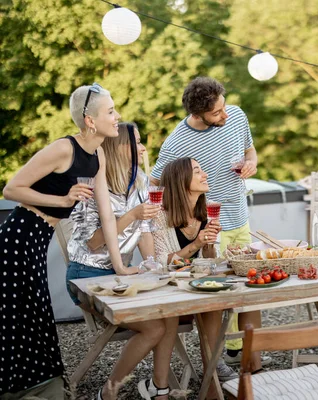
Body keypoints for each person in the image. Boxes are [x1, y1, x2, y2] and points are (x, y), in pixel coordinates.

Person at [0, 83, 127, 399]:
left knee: (35, 313)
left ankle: (36, 385)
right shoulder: (64, 149)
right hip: (17, 237)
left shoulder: (97, 154)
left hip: (36, 241)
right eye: (110, 111)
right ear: (90, 120)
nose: (117, 116)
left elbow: (107, 215)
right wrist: (63, 198)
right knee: (16, 314)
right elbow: (11, 189)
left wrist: (121, 267)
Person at [150, 76, 260, 365]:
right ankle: (220, 357)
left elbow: (250, 149)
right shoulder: (177, 142)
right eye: (217, 113)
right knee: (223, 288)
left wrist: (252, 164)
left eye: (224, 106)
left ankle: (242, 353)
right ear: (197, 115)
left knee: (246, 282)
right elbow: (157, 180)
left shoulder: (235, 115)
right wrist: (178, 218)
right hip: (210, 221)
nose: (225, 114)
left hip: (240, 214)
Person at [65, 122, 178, 400]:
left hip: (121, 277)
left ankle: (160, 389)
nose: (143, 147)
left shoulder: (138, 182)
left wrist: (154, 265)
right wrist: (132, 215)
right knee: (154, 327)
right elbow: (93, 242)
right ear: (119, 148)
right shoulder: (89, 186)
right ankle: (108, 391)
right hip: (87, 277)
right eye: (137, 142)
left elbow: (144, 233)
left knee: (171, 311)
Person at [152, 157, 265, 393]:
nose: (205, 174)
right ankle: (214, 371)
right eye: (197, 171)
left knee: (242, 295)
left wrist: (209, 244)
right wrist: (195, 244)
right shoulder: (160, 214)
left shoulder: (209, 208)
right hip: (171, 285)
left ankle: (240, 370)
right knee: (210, 300)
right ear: (180, 181)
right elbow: (162, 261)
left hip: (200, 280)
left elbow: (210, 258)